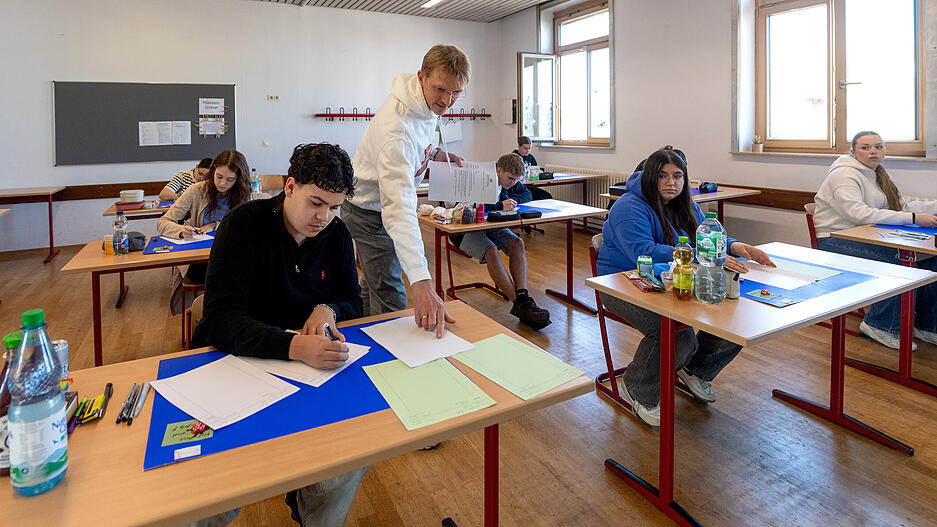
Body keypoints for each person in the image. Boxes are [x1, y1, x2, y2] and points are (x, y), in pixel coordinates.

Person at [190, 143, 364, 527]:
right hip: (233, 365)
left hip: (304, 375)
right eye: (316, 203)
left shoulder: (335, 233)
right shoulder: (243, 226)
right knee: (213, 496)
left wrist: (329, 309)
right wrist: (295, 346)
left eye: (335, 208)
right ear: (289, 188)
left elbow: (353, 300)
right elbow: (219, 319)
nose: (324, 217)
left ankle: (309, 510)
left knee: (350, 458)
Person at [596, 146, 775, 427]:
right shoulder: (628, 207)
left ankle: (695, 370)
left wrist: (735, 246)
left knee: (735, 315)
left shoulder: (686, 204)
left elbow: (704, 236)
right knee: (678, 335)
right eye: (663, 176)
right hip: (622, 283)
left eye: (678, 176)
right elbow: (643, 250)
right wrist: (706, 256)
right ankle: (639, 388)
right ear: (648, 178)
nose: (672, 183)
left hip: (676, 278)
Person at [342, 44, 469, 337]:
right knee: (392, 298)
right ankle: (390, 365)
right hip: (367, 211)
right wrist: (422, 282)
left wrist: (434, 152)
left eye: (456, 93)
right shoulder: (395, 132)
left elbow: (420, 134)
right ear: (421, 77)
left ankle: (360, 342)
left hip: (377, 205)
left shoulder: (424, 101)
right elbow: (398, 210)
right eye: (440, 90)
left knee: (373, 284)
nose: (447, 101)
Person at [814, 131, 937, 350]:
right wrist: (916, 219)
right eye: (865, 147)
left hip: (872, 236)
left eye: (878, 147)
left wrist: (926, 213)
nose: (873, 151)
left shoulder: (879, 174)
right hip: (835, 240)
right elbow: (858, 215)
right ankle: (880, 325)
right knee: (900, 264)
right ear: (852, 151)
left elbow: (901, 207)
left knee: (931, 262)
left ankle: (925, 324)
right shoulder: (843, 175)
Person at [455, 153, 551, 329]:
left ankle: (523, 296)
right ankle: (522, 306)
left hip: (490, 224)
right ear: (498, 170)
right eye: (510, 179)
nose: (513, 183)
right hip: (464, 228)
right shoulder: (480, 179)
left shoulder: (510, 180)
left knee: (517, 243)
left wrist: (513, 200)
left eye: (516, 180)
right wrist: (500, 206)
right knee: (491, 250)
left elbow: (526, 193)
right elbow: (467, 209)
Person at [157, 150, 251, 314]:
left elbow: (244, 227)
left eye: (230, 180)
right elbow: (163, 222)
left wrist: (214, 225)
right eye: (219, 176)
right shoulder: (196, 190)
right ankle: (214, 319)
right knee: (228, 278)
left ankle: (227, 319)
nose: (222, 183)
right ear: (213, 171)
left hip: (230, 254)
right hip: (201, 259)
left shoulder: (242, 193)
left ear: (238, 180)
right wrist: (181, 231)